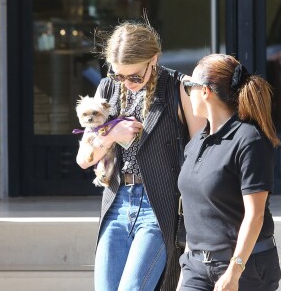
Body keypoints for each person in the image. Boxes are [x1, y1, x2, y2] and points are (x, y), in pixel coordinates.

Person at [76, 18, 205, 290]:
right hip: (116, 203)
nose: (128, 83)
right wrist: (111, 136)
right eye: (118, 75)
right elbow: (84, 159)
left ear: (154, 60)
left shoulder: (177, 88)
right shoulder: (107, 90)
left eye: (135, 76)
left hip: (158, 205)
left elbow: (201, 156)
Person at [177, 53, 281, 291]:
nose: (185, 92)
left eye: (188, 86)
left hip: (245, 267)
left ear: (205, 91)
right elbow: (195, 213)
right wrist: (186, 271)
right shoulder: (195, 144)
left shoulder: (248, 140)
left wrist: (234, 271)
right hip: (196, 267)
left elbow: (255, 215)